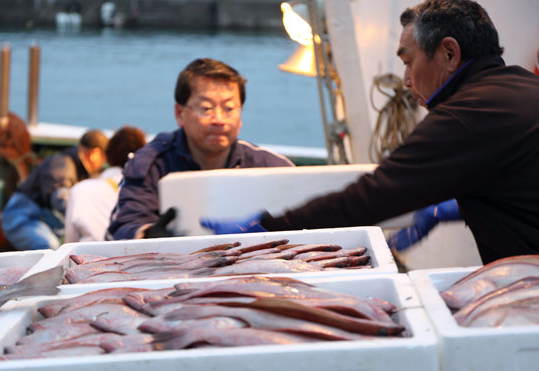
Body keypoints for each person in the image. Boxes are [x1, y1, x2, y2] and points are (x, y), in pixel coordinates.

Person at [200, 0, 539, 264]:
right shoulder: (524, 86)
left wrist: (267, 229)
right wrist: (450, 208)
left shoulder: (465, 117)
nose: (406, 81)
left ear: (449, 53)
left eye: (409, 62)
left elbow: (369, 198)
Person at [107, 58, 294, 240]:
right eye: (206, 108)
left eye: (229, 109)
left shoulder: (271, 166)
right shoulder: (150, 164)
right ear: (180, 114)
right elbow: (122, 228)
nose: (219, 120)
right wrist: (148, 235)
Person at [1, 129, 108, 250]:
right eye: (103, 158)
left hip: (40, 215)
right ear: (95, 153)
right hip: (20, 216)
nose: (103, 163)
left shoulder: (74, 166)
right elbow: (60, 197)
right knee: (49, 247)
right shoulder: (63, 164)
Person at [65, 125, 147, 243]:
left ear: (107, 156)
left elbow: (70, 243)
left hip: (88, 259)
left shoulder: (80, 191)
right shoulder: (151, 193)